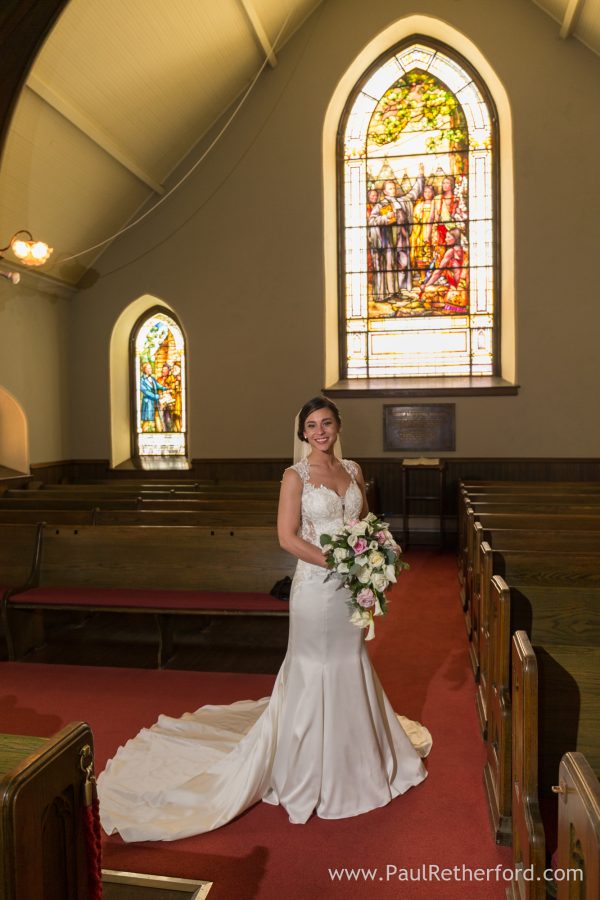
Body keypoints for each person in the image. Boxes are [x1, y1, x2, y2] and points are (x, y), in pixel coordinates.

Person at [97, 397, 431, 841]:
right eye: (311, 426)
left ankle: (356, 761)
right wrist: (338, 562)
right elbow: (287, 537)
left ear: (338, 426)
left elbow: (364, 519)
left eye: (326, 423)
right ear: (302, 434)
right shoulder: (295, 477)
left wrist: (374, 552)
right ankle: (307, 767)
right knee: (313, 669)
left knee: (349, 662)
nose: (319, 432)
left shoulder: (352, 471)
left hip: (350, 587)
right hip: (315, 588)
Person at [368, 164, 425, 298]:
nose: (393, 190)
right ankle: (392, 292)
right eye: (390, 188)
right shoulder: (380, 205)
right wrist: (384, 217)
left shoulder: (403, 201)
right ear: (385, 192)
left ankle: (400, 289)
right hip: (387, 239)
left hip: (402, 238)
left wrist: (421, 175)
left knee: (403, 264)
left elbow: (415, 192)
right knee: (389, 264)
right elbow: (372, 221)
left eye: (394, 187)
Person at [139, 362, 168, 432]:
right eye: (148, 368)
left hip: (155, 403)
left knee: (157, 418)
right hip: (148, 403)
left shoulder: (152, 378)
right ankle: (143, 437)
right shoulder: (141, 380)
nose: (150, 369)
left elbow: (158, 385)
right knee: (147, 421)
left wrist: (165, 388)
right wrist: (158, 396)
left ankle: (160, 436)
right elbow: (146, 392)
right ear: (144, 369)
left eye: (150, 368)